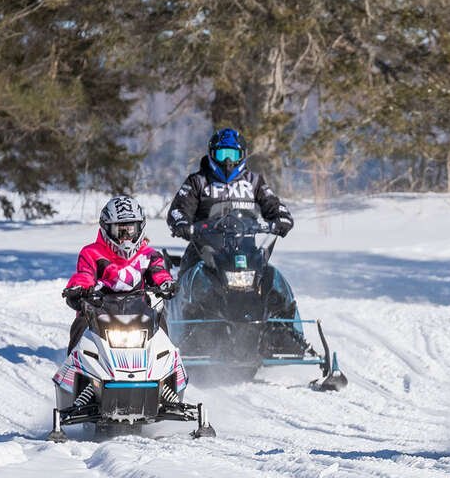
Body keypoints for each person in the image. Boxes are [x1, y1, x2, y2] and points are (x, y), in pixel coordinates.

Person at [166, 127, 294, 270]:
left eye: (233, 155)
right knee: (187, 278)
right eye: (222, 154)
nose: (228, 161)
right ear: (212, 155)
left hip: (246, 251)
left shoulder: (254, 181)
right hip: (203, 251)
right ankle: (181, 291)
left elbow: (273, 204)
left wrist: (281, 219)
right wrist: (182, 224)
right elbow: (178, 209)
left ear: (242, 155)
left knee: (271, 278)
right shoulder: (198, 181)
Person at [61, 196, 177, 352]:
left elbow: (158, 272)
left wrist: (165, 284)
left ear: (140, 228)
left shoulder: (149, 255)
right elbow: (85, 274)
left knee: (160, 323)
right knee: (81, 324)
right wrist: (80, 288)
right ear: (106, 229)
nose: (125, 238)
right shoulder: (92, 253)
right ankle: (76, 366)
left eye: (130, 230)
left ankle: (166, 366)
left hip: (139, 311)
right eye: (119, 231)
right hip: (98, 312)